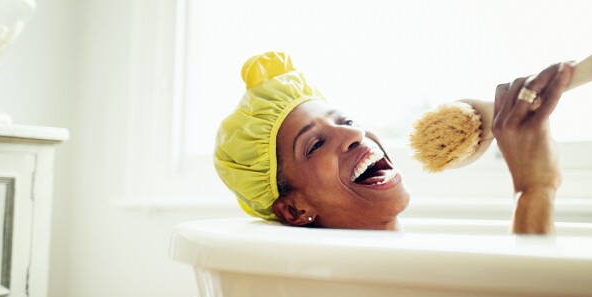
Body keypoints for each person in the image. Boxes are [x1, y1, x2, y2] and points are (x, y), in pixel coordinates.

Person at [214, 52, 573, 234]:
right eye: (315, 144)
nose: (355, 134)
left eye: (347, 121)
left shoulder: (402, 270)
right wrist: (534, 188)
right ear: (293, 210)